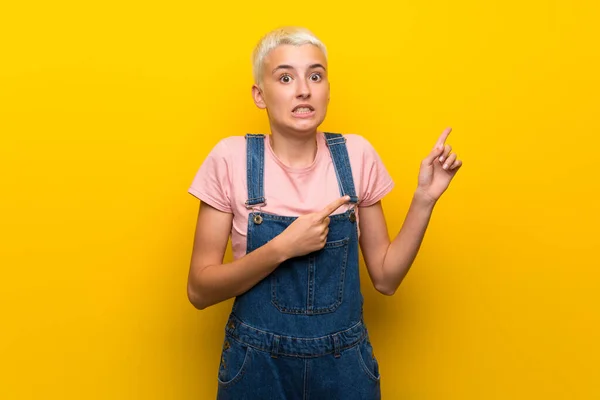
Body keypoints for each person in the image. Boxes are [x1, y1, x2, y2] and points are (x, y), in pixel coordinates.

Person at [187, 26, 462, 400]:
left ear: (328, 90)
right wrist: (282, 248)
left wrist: (425, 198)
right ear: (260, 95)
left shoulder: (356, 155)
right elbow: (199, 290)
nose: (304, 89)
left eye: (315, 76)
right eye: (285, 77)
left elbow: (386, 278)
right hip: (256, 366)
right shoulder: (230, 159)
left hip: (344, 367)